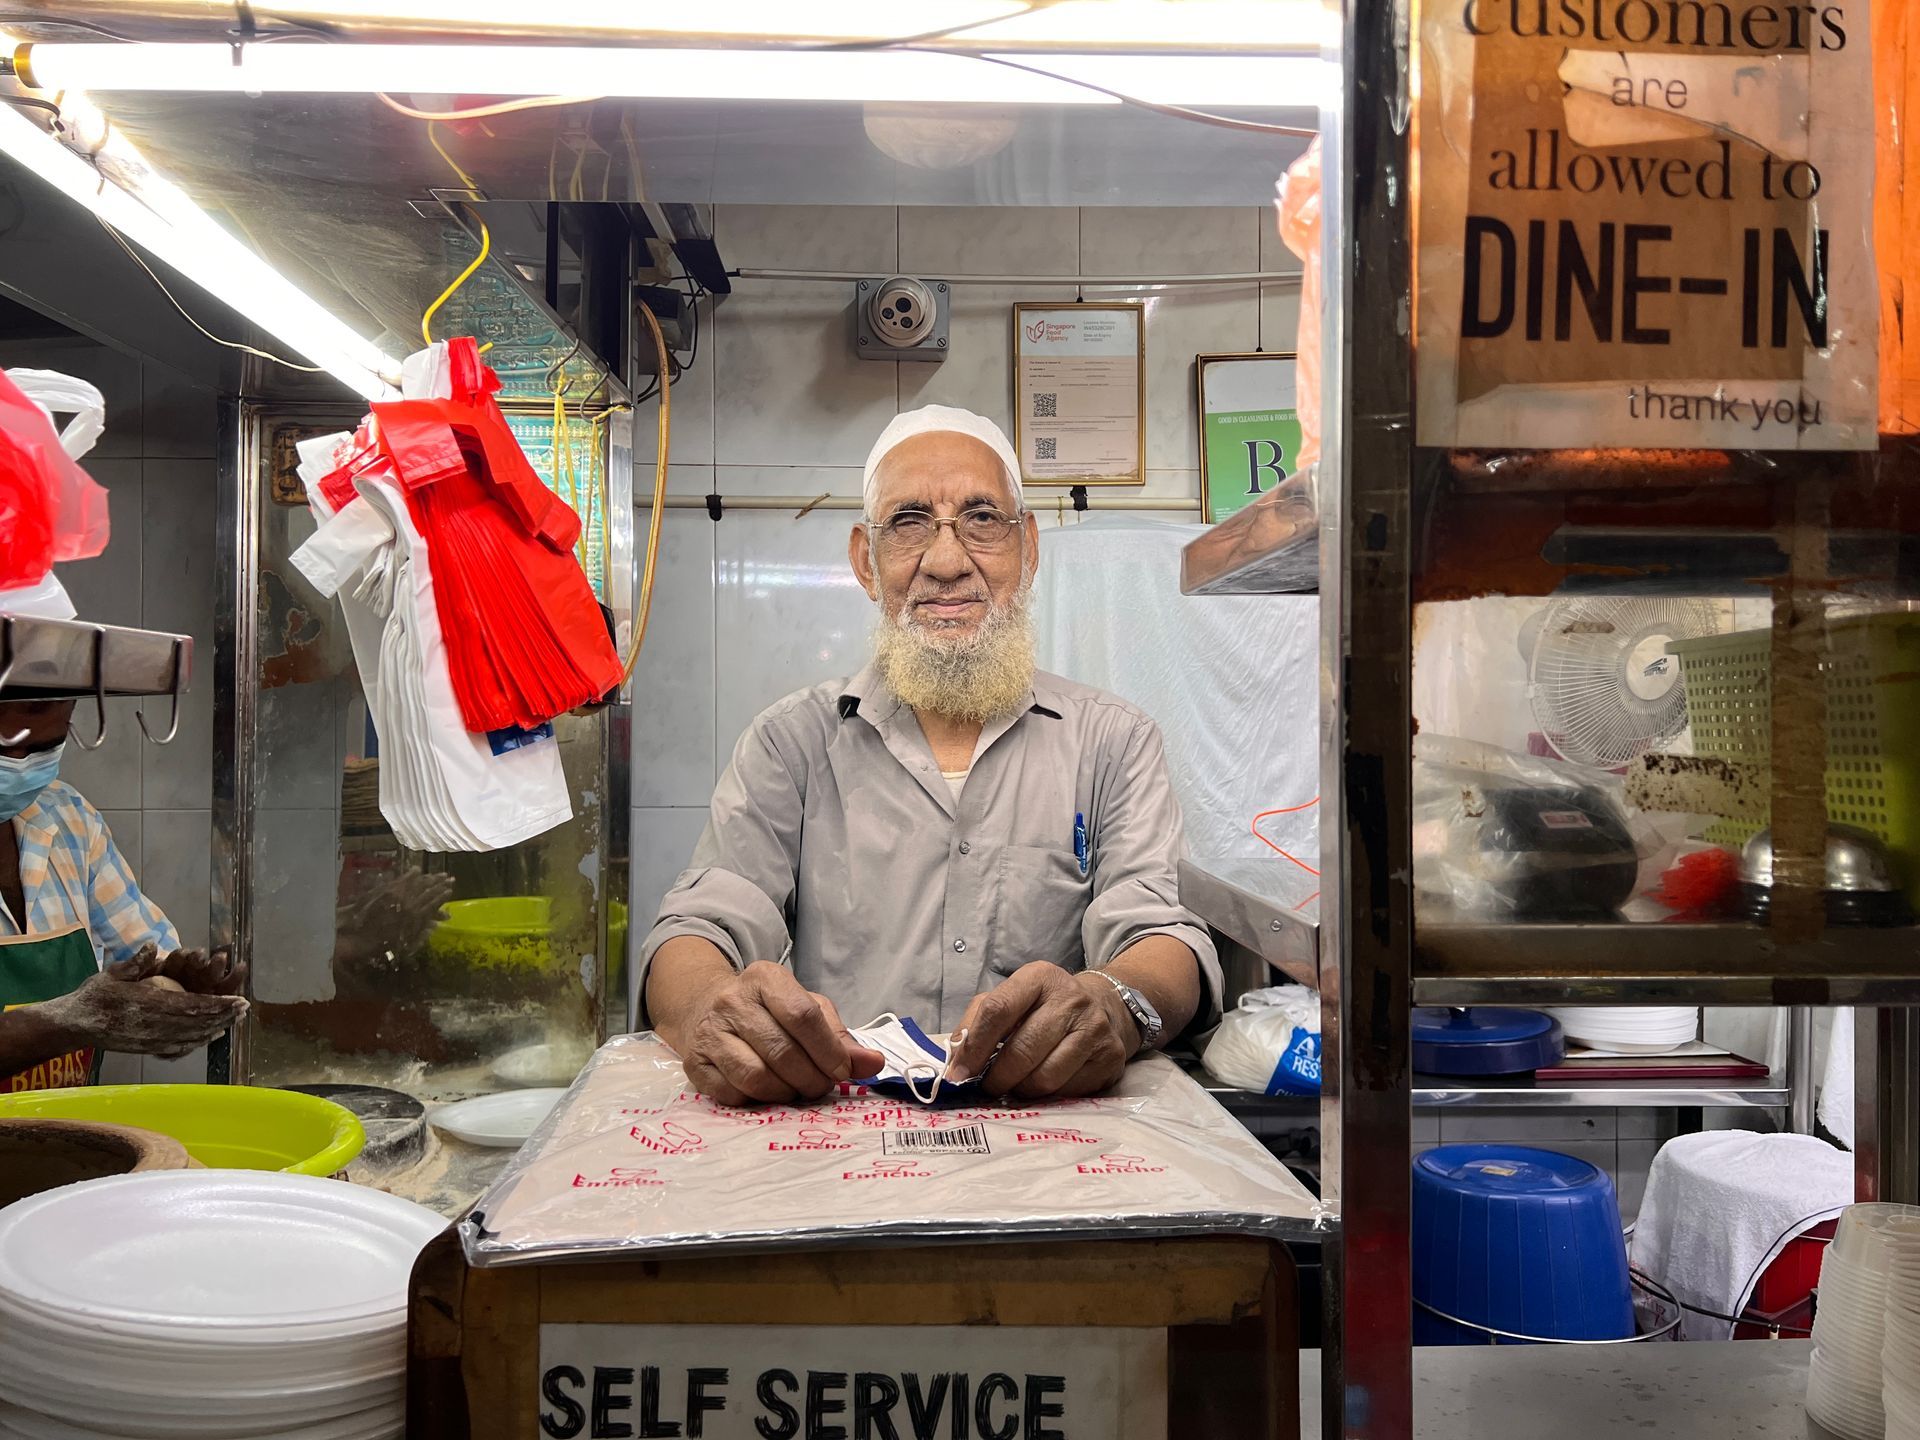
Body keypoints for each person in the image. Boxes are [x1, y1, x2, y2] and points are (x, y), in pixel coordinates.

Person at [641, 405, 1218, 1106]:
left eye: (981, 519)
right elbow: (699, 926)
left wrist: (1113, 1004)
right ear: (866, 559)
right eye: (910, 522)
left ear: (1028, 548)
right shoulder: (790, 743)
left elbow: (1159, 934)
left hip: (1049, 1139)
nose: (946, 562)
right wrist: (710, 1008)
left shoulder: (1112, 741)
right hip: (842, 1140)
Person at [0, 693, 247, 1090]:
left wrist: (172, 1001)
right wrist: (65, 1023)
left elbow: (142, 959)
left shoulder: (68, 819)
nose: (23, 768)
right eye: (7, 750)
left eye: (45, 749)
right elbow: (89, 1015)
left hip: (68, 1144)